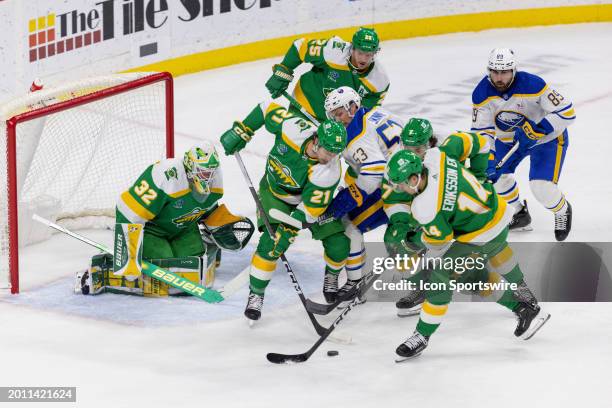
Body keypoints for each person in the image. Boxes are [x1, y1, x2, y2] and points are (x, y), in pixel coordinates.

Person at [385, 149, 550, 359]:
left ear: (415, 179)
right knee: (472, 274)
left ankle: (421, 335)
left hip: (482, 234)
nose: (399, 189)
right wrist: (481, 171)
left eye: (400, 184)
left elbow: (439, 241)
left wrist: (412, 241)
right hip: (498, 211)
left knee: (441, 278)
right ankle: (523, 305)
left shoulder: (424, 206)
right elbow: (475, 142)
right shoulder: (436, 156)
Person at [220, 100, 350, 321]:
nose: (331, 157)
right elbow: (265, 108)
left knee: (339, 245)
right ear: (317, 139)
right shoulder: (293, 127)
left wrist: (289, 231)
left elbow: (308, 210)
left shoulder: (328, 172)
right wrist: (243, 130)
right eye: (328, 150)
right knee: (271, 245)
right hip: (274, 194)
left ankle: (331, 277)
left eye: (336, 152)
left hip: (305, 204)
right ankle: (256, 295)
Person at [83, 142, 254, 297]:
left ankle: (206, 240)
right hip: (151, 229)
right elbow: (128, 210)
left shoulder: (215, 178)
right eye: (203, 172)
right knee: (165, 265)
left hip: (183, 227)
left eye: (211, 171)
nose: (208, 177)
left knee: (190, 265)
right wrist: (127, 256)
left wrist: (219, 223)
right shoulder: (165, 175)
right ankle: (103, 268)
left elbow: (206, 207)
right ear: (190, 166)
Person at [382, 118, 493, 316]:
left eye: (418, 150)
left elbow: (483, 143)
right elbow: (395, 196)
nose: (411, 153)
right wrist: (402, 224)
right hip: (427, 206)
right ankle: (420, 285)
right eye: (407, 147)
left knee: (457, 258)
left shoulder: (448, 146)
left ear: (431, 142)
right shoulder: (399, 160)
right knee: (400, 239)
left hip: (458, 206)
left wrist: (479, 174)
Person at [471, 48, 575, 241]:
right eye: (495, 72)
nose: (499, 77)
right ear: (489, 71)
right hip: (508, 140)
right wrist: (490, 158)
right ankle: (519, 214)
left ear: (513, 70)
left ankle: (562, 210)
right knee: (494, 174)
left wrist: (540, 128)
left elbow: (567, 111)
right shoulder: (481, 94)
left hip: (546, 139)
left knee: (541, 187)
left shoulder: (533, 84)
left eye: (504, 72)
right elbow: (482, 133)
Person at [322, 86, 403, 303]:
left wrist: (350, 197)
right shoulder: (375, 113)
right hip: (410, 176)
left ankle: (355, 284)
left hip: (397, 188)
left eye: (339, 113)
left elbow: (374, 174)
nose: (337, 120)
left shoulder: (358, 136)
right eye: (333, 115)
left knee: (350, 224)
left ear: (353, 106)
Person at [265, 27, 389, 122]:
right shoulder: (333, 51)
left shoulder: (379, 81)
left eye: (368, 54)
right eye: (360, 53)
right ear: (353, 48)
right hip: (306, 103)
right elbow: (300, 47)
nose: (364, 59)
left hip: (337, 122)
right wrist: (283, 71)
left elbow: (366, 115)